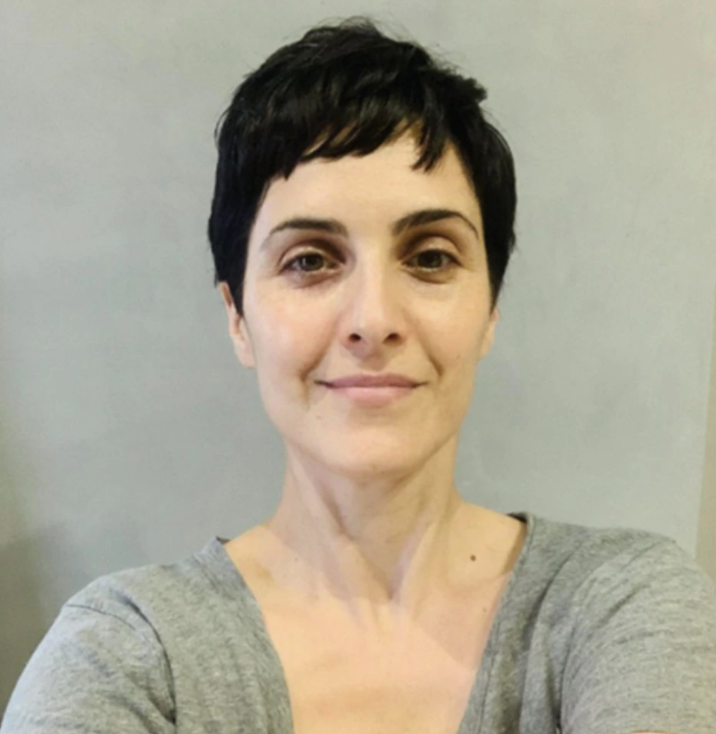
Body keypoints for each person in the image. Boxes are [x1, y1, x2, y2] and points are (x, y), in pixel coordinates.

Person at [2, 15, 715, 734]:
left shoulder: (620, 604)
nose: (374, 320)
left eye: (431, 257)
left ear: (489, 310)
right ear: (238, 318)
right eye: (309, 260)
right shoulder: (124, 652)